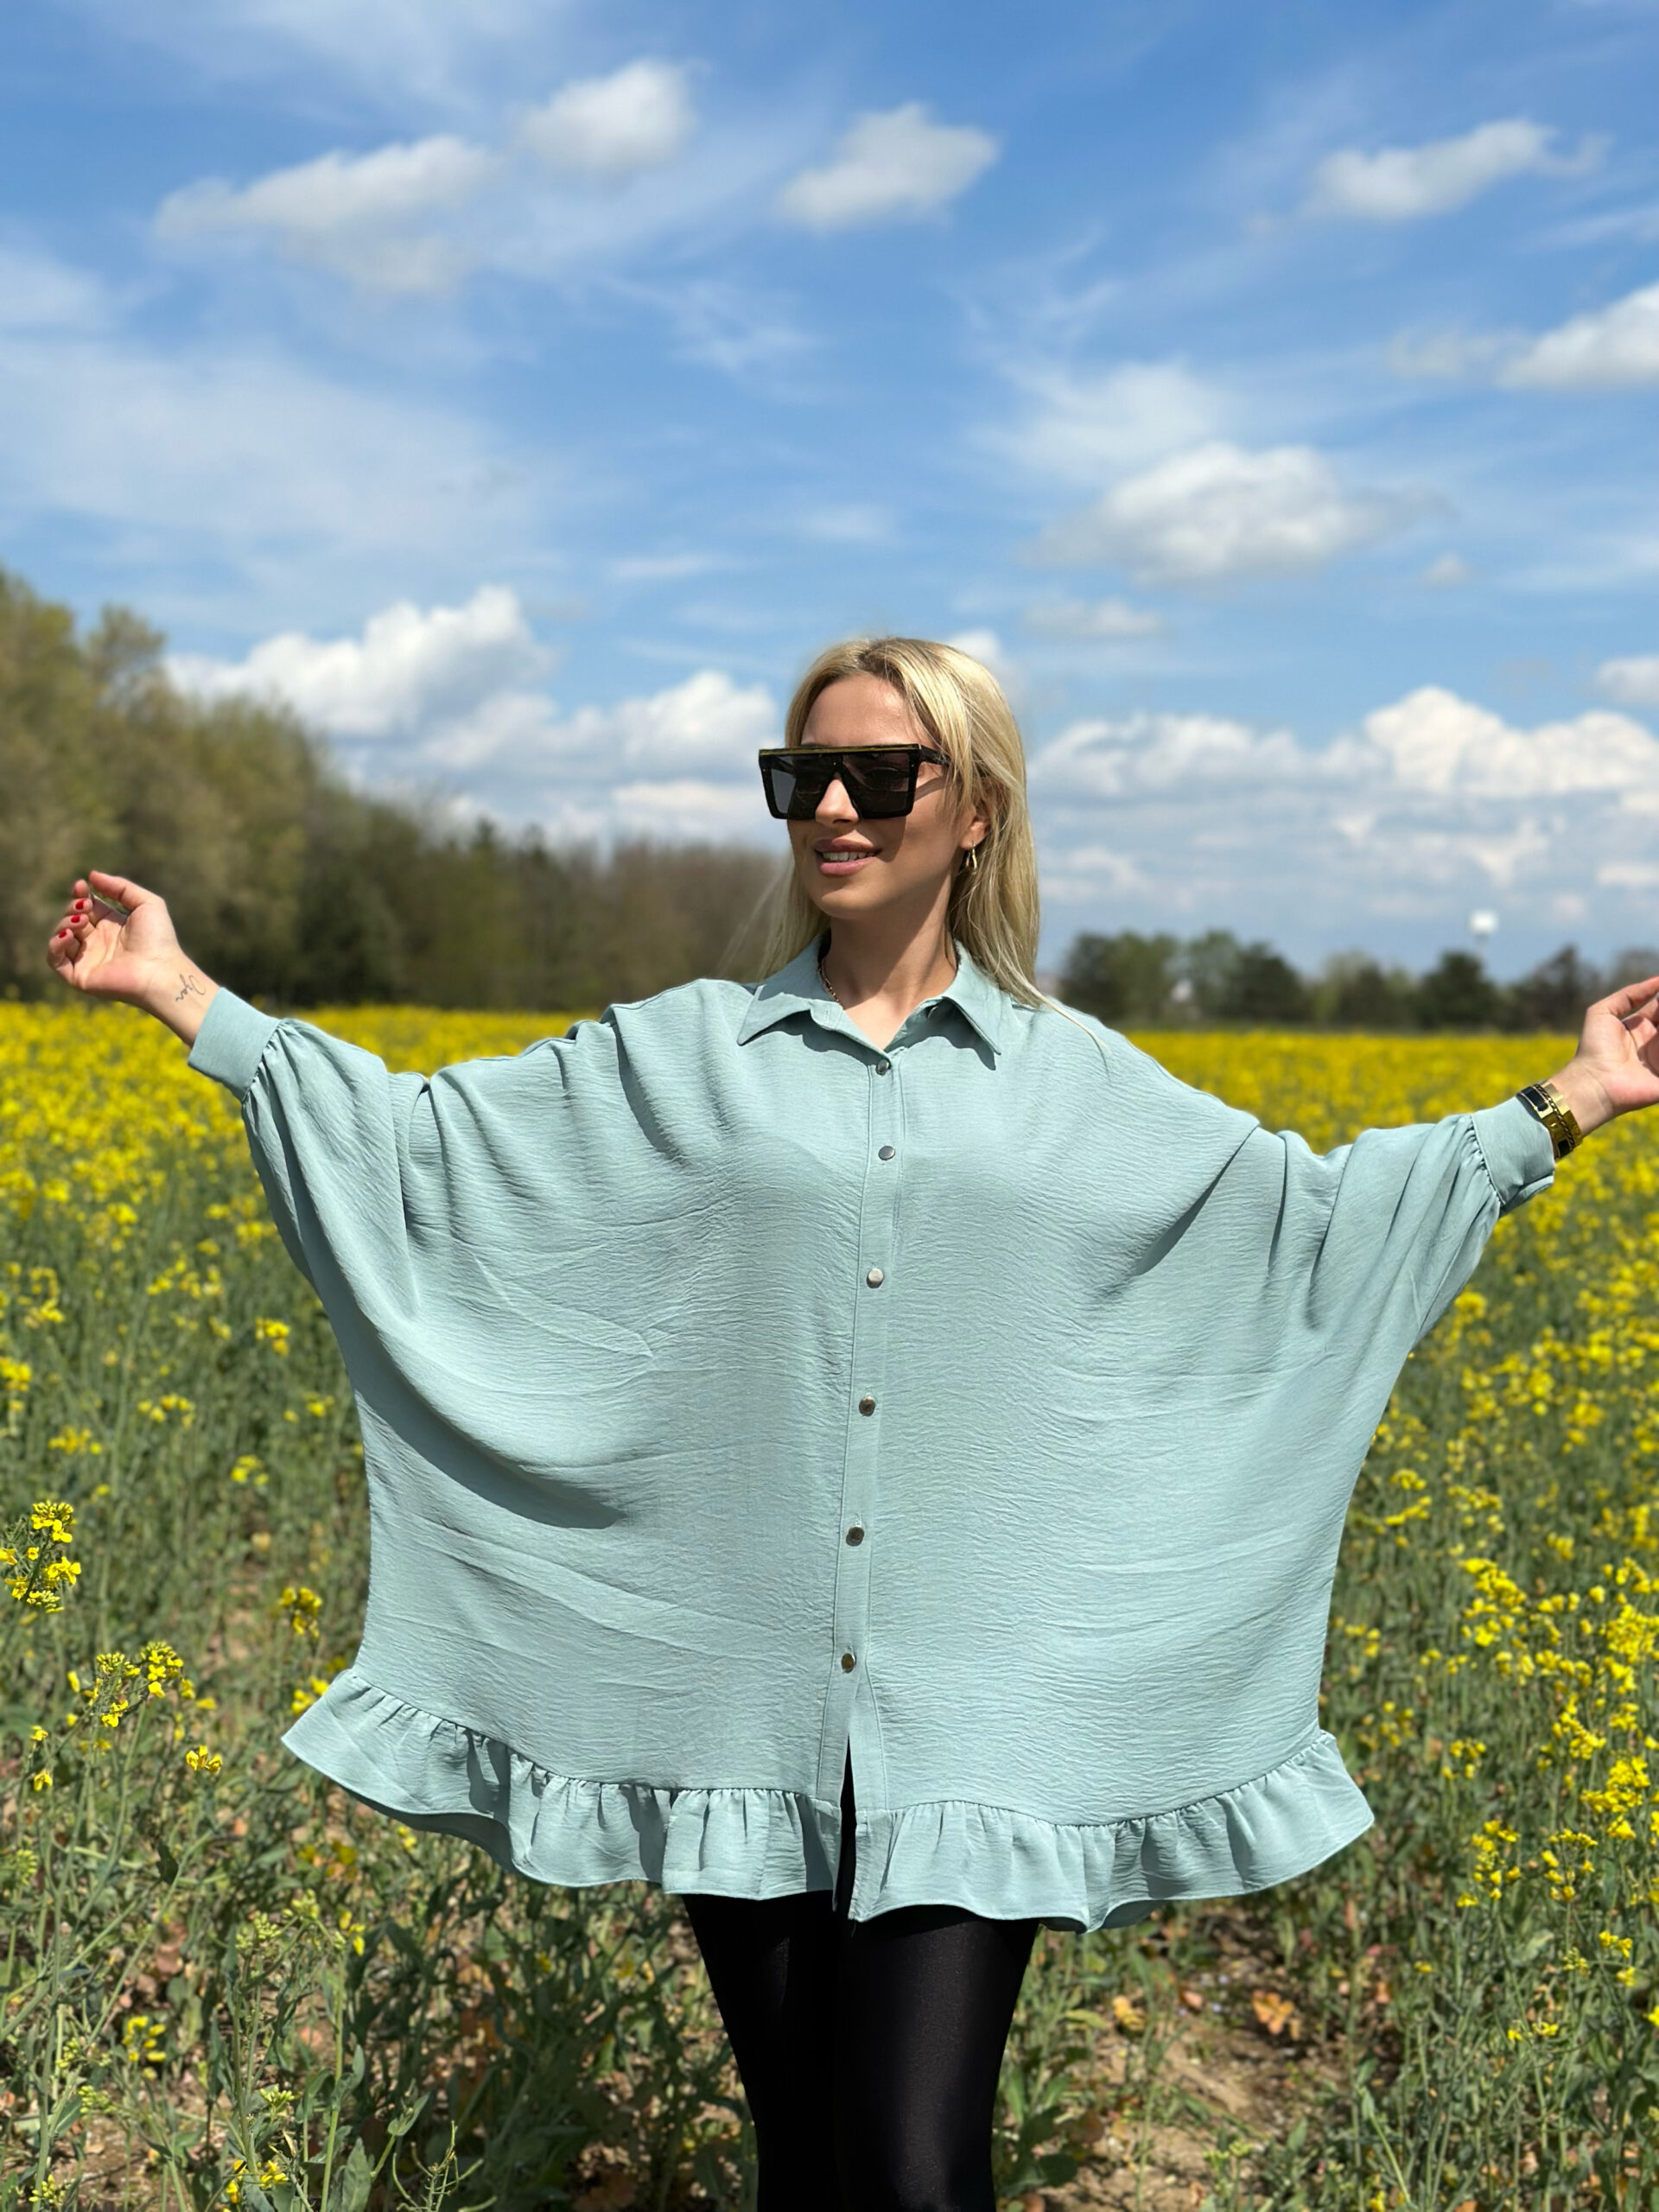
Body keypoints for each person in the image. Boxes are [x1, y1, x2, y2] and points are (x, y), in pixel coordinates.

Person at [46, 635, 1659, 2211]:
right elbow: (416, 1148)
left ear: (976, 812)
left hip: (974, 1719)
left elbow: (1311, 1224)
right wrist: (178, 988)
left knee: (911, 2166)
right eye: (802, 774)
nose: (832, 806)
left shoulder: (1079, 1083)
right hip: (735, 1701)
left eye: (881, 774)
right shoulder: (680, 1055)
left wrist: (1570, 1099)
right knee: (811, 2159)